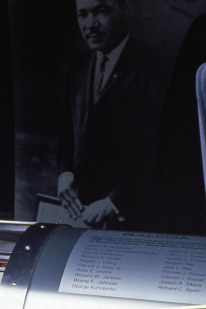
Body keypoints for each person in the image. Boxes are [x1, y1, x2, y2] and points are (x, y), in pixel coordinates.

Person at [58, 0, 164, 229]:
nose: (90, 24)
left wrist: (115, 202)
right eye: (82, 14)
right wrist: (64, 175)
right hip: (83, 216)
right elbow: (68, 135)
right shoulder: (79, 69)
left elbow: (158, 151)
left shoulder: (152, 69)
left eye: (101, 11)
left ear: (125, 11)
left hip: (132, 221)